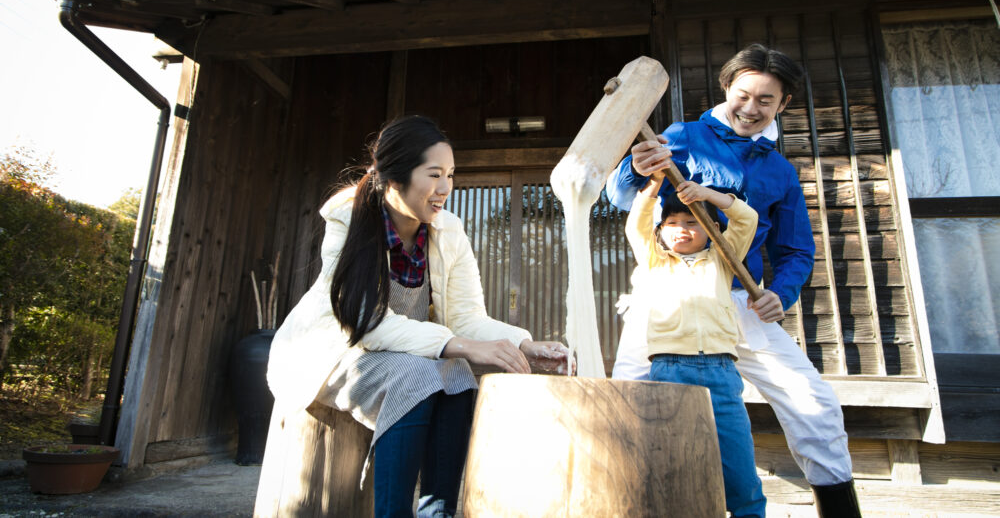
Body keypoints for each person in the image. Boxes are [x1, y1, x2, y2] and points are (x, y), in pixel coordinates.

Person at [267, 115, 570, 518]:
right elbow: (363, 321)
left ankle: (436, 513)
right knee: (418, 377)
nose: (445, 188)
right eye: (434, 175)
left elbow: (465, 318)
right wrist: (456, 345)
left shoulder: (449, 232)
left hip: (402, 354)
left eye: (450, 175)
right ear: (395, 177)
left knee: (459, 379)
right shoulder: (349, 218)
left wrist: (524, 344)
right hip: (333, 351)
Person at [606, 44, 862, 517]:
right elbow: (622, 199)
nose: (751, 108)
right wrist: (637, 167)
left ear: (783, 104)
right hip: (666, 295)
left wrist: (780, 296)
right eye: (743, 94)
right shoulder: (683, 135)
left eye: (766, 100)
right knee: (630, 399)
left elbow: (796, 250)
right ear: (727, 88)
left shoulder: (781, 170)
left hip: (738, 301)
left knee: (814, 402)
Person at [625, 173, 764, 517]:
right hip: (669, 371)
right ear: (660, 231)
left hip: (721, 372)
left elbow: (747, 218)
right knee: (672, 470)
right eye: (672, 222)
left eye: (692, 221)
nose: (682, 228)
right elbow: (636, 225)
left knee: (740, 472)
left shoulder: (722, 260)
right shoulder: (656, 262)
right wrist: (655, 185)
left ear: (710, 228)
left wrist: (705, 194)